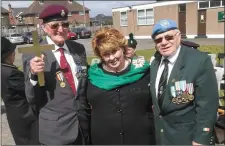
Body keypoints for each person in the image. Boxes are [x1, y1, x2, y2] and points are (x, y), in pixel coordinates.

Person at [22, 5, 90, 145]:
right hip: (56, 133)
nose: (61, 29)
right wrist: (34, 74)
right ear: (44, 27)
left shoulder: (78, 48)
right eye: (54, 26)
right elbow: (32, 98)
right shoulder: (33, 53)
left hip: (83, 127)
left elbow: (84, 80)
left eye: (65, 24)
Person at [149, 19, 219, 145]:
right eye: (158, 40)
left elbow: (207, 105)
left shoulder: (199, 61)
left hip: (187, 138)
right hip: (161, 137)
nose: (164, 42)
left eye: (168, 37)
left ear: (178, 36)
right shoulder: (155, 62)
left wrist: (201, 138)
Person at [86, 27, 155, 145]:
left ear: (122, 48)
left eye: (114, 51)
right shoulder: (92, 76)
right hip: (103, 140)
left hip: (141, 139)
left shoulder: (144, 71)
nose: (112, 58)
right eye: (106, 54)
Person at [1, 37, 39, 145]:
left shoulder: (4, 69)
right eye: (12, 53)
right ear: (7, 55)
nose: (14, 55)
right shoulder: (10, 73)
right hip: (24, 114)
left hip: (13, 112)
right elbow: (28, 89)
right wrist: (34, 75)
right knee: (31, 141)